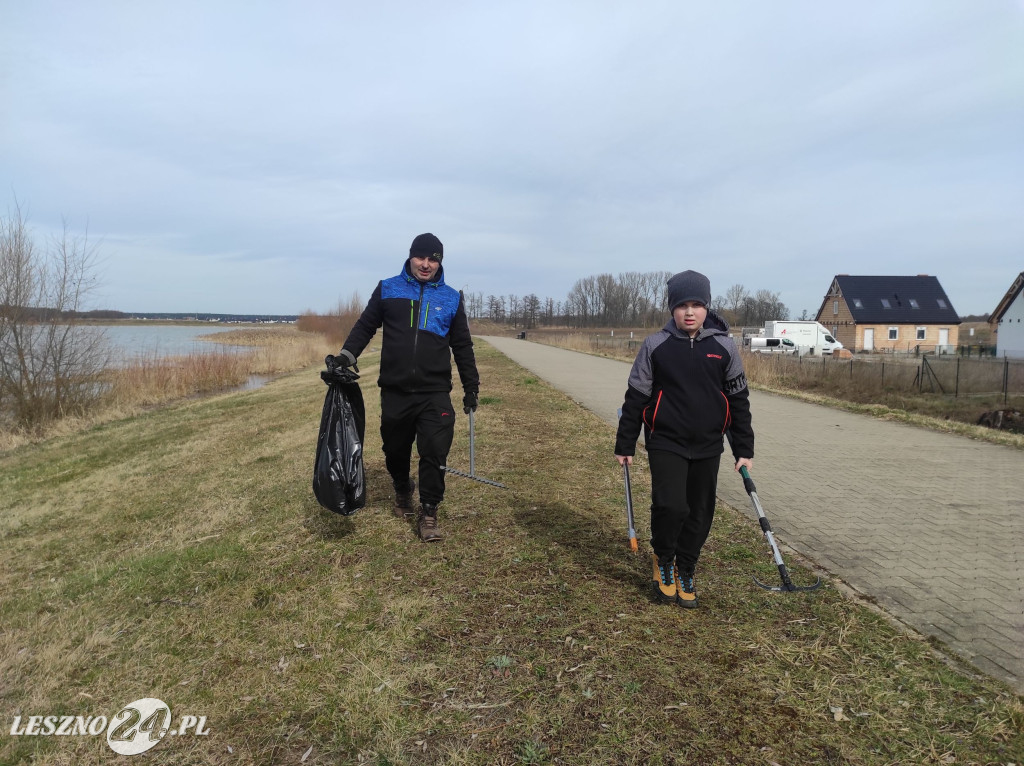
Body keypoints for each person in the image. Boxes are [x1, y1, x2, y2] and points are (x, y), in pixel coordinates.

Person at [614, 270, 754, 608]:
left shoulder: (724, 347)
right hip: (666, 440)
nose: (689, 312)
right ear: (672, 309)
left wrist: (744, 449)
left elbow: (738, 400)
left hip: (708, 444)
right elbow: (636, 397)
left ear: (707, 307)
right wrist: (626, 442)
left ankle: (686, 566)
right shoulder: (655, 345)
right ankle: (664, 559)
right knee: (671, 505)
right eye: (682, 305)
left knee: (700, 512)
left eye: (697, 305)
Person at [337, 233, 480, 542]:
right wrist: (346, 356)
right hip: (396, 390)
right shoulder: (388, 288)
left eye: (433, 259)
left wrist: (472, 386)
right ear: (411, 256)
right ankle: (402, 486)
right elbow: (366, 325)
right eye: (420, 257)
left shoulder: (451, 298)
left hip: (434, 392)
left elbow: (462, 345)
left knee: (434, 451)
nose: (426, 264)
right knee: (395, 450)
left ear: (440, 262)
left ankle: (429, 512)